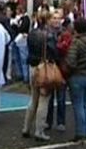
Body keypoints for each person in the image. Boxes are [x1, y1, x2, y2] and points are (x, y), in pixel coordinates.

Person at [23, 10, 59, 141]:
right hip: (44, 68)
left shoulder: (32, 33)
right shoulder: (50, 35)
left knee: (33, 99)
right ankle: (39, 130)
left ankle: (26, 127)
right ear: (48, 20)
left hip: (32, 67)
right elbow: (54, 52)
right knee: (44, 100)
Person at [45, 9, 66, 132]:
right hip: (51, 66)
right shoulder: (46, 33)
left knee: (61, 97)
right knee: (49, 97)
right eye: (54, 18)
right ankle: (48, 121)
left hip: (62, 68)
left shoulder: (65, 33)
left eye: (58, 18)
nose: (56, 20)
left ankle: (61, 121)